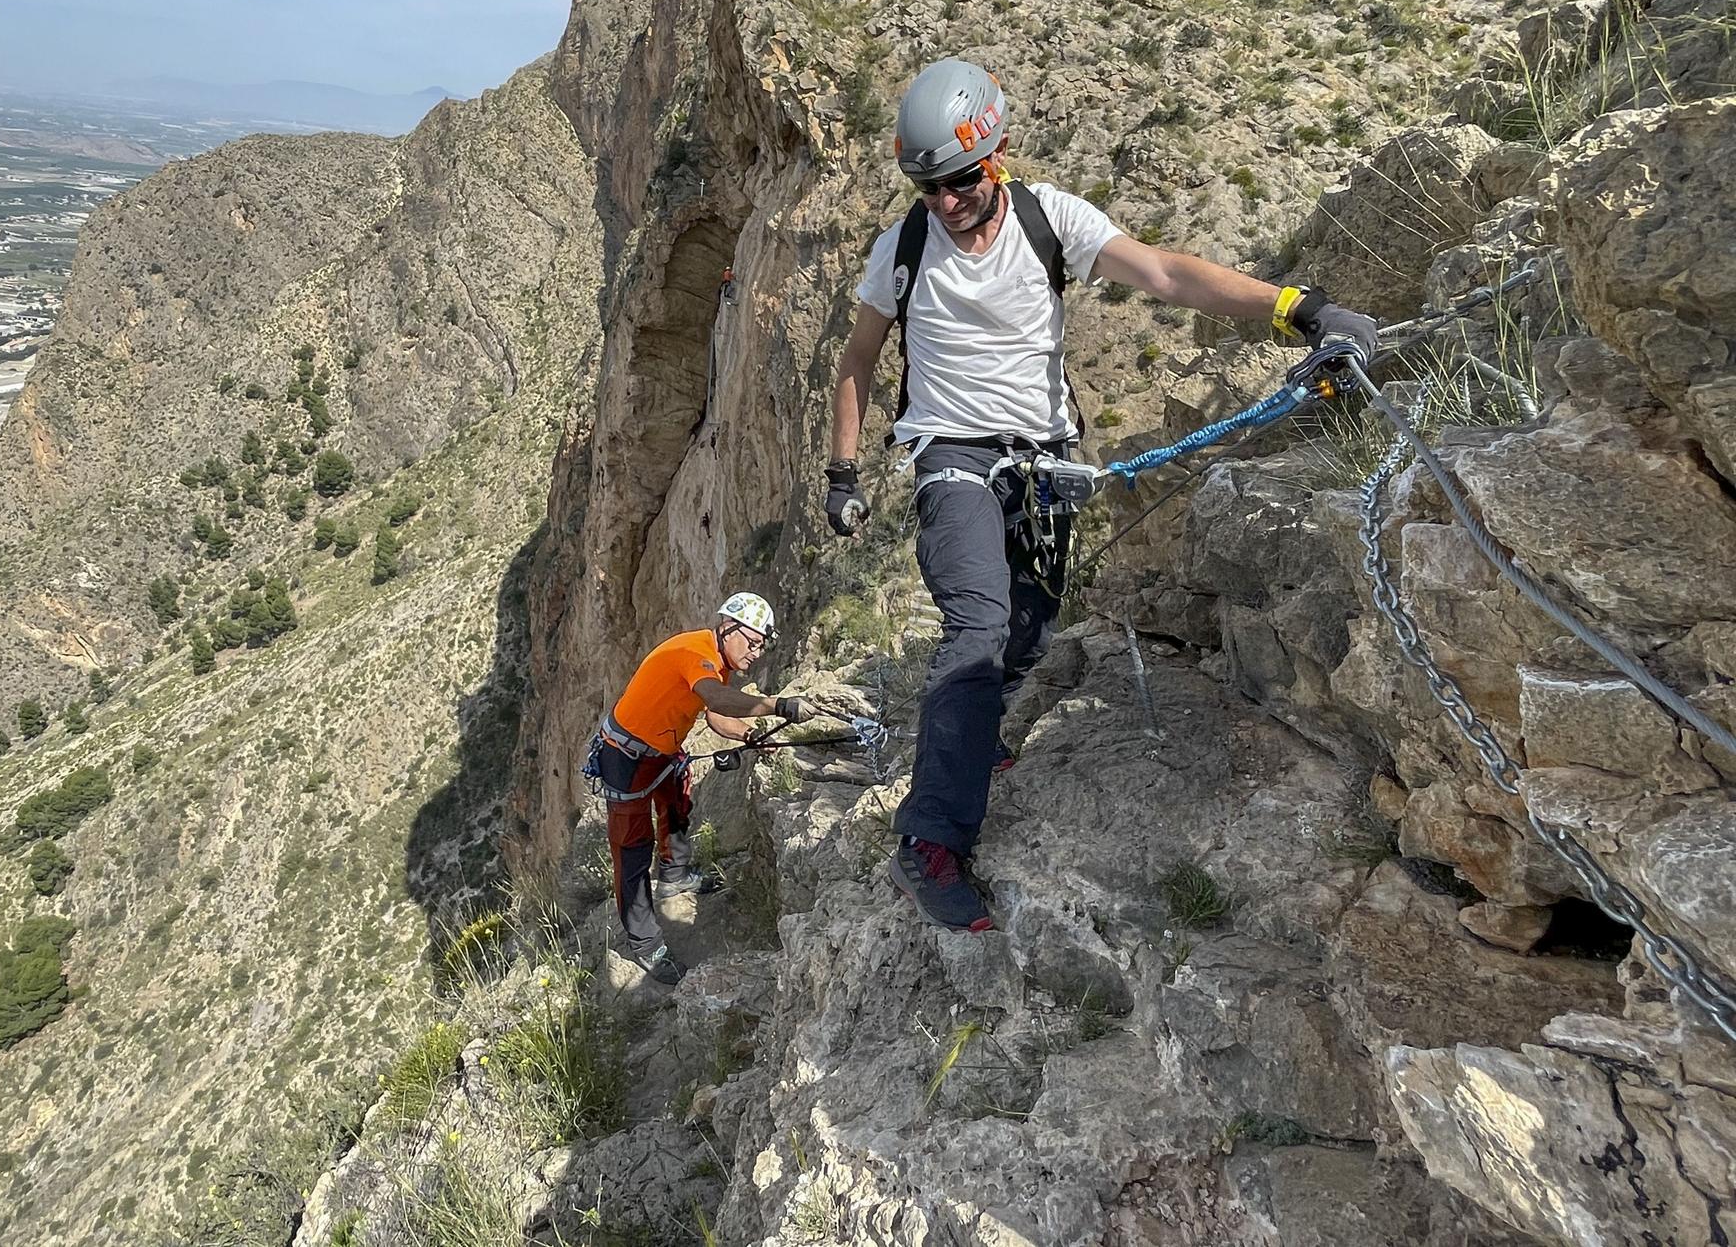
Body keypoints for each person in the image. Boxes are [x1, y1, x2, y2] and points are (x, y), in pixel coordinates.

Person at [824, 57, 1377, 933]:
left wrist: (1297, 310)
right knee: (974, 629)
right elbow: (858, 360)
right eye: (928, 188)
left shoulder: (1050, 219)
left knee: (1029, 631)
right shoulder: (903, 249)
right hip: (952, 455)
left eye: (960, 181)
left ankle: (973, 733)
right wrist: (844, 472)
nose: (946, 202)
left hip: (1044, 457)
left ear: (995, 155)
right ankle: (927, 844)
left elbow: (1164, 273)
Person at [590, 592, 811, 984]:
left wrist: (748, 734)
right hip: (626, 757)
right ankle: (644, 944)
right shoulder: (696, 651)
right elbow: (715, 697)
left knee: (677, 805)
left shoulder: (715, 661)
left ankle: (675, 875)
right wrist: (776, 705)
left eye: (762, 644)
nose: (757, 652)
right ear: (728, 628)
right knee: (632, 847)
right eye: (753, 641)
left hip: (659, 751)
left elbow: (714, 714)